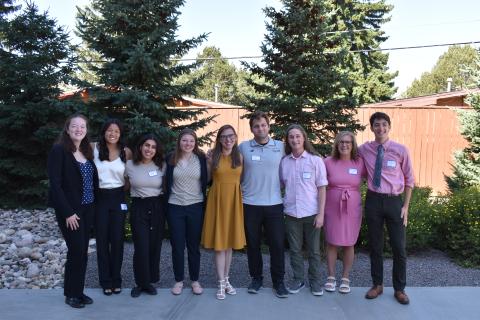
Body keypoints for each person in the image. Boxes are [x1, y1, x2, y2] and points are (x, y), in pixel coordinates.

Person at [359, 112, 414, 305]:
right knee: (375, 246)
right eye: (376, 125)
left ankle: (399, 289)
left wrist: (405, 206)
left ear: (389, 127)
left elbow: (410, 180)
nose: (380, 128)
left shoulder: (401, 150)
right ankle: (377, 285)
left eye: (384, 124)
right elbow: (345, 154)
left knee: (399, 247)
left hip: (394, 202)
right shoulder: (364, 149)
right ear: (372, 128)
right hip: (373, 200)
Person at [47, 113, 97, 308]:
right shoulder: (59, 150)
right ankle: (71, 294)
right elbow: (56, 185)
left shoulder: (85, 151)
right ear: (67, 129)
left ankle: (78, 291)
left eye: (82, 127)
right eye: (75, 126)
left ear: (86, 131)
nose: (79, 129)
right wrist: (67, 212)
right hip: (71, 212)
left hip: (87, 209)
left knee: (82, 252)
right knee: (76, 250)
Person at [238, 111, 289, 298]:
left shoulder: (281, 146)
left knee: (277, 245)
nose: (260, 128)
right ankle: (256, 279)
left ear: (269, 126)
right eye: (256, 126)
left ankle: (279, 282)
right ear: (252, 129)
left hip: (274, 204)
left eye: (263, 125)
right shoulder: (243, 147)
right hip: (250, 204)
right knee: (253, 245)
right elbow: (233, 168)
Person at [279, 124, 327, 296]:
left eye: (298, 136)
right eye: (291, 137)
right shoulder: (284, 162)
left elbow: (322, 188)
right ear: (288, 140)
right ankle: (298, 279)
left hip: (312, 214)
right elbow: (281, 185)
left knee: (314, 251)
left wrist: (321, 214)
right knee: (294, 250)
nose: (294, 139)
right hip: (291, 214)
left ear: (304, 138)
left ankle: (315, 281)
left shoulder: (315, 160)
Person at [202, 125, 246, 300]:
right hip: (218, 200)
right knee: (220, 245)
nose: (228, 139)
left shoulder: (239, 157)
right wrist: (206, 162)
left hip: (234, 200)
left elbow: (240, 180)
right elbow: (207, 179)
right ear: (219, 139)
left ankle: (227, 279)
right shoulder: (213, 156)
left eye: (231, 136)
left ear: (235, 138)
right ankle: (220, 282)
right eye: (224, 136)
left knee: (229, 245)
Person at [165, 129, 208, 296]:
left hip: (195, 207)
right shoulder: (170, 158)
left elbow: (208, 179)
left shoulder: (201, 159)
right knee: (177, 246)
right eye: (184, 140)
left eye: (191, 141)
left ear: (195, 143)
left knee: (193, 246)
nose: (188, 144)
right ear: (179, 142)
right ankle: (178, 280)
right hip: (174, 206)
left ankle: (195, 280)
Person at [92, 119, 132, 295]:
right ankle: (105, 281)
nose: (113, 133)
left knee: (117, 241)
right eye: (109, 130)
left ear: (120, 133)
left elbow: (129, 178)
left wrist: (121, 192)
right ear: (104, 132)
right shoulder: (93, 148)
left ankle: (116, 279)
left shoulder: (126, 152)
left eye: (116, 131)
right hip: (99, 198)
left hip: (118, 197)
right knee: (102, 241)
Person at [323, 131, 365, 294]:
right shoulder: (327, 162)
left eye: (348, 142)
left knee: (349, 242)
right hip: (332, 206)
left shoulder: (360, 163)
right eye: (341, 142)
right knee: (332, 241)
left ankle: (346, 277)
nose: (344, 145)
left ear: (353, 145)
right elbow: (319, 184)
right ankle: (331, 277)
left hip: (352, 207)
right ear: (336, 144)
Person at [125, 134, 166, 298]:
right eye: (147, 145)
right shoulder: (129, 165)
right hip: (139, 206)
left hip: (157, 206)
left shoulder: (161, 165)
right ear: (140, 147)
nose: (149, 149)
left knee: (154, 245)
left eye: (153, 147)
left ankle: (149, 282)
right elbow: (123, 185)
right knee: (141, 246)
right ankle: (139, 283)